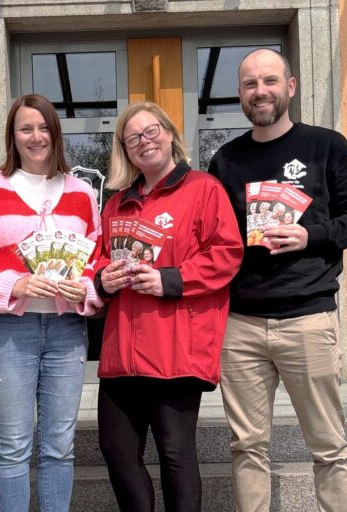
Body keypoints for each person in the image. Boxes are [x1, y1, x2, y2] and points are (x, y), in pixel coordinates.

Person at [208, 48, 347, 512]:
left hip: (309, 319)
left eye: (268, 81)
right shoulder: (226, 159)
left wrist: (311, 235)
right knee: (246, 447)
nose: (259, 91)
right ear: (240, 94)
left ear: (290, 86)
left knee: (328, 446)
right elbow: (213, 239)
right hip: (241, 325)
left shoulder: (327, 146)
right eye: (249, 84)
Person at [0, 93, 102, 512]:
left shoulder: (80, 192)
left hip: (67, 331)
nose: (35, 137)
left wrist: (85, 289)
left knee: (59, 445)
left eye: (42, 127)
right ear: (12, 136)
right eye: (25, 128)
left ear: (54, 133)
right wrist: (13, 286)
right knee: (13, 445)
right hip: (6, 331)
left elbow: (97, 255)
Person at [95, 102, 243, 511]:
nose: (145, 141)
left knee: (175, 455)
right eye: (133, 138)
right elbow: (98, 258)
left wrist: (168, 279)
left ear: (170, 133)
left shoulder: (203, 189)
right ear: (125, 151)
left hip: (174, 346)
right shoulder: (116, 204)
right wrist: (101, 279)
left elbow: (227, 254)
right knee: (116, 451)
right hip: (121, 350)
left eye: (151, 130)